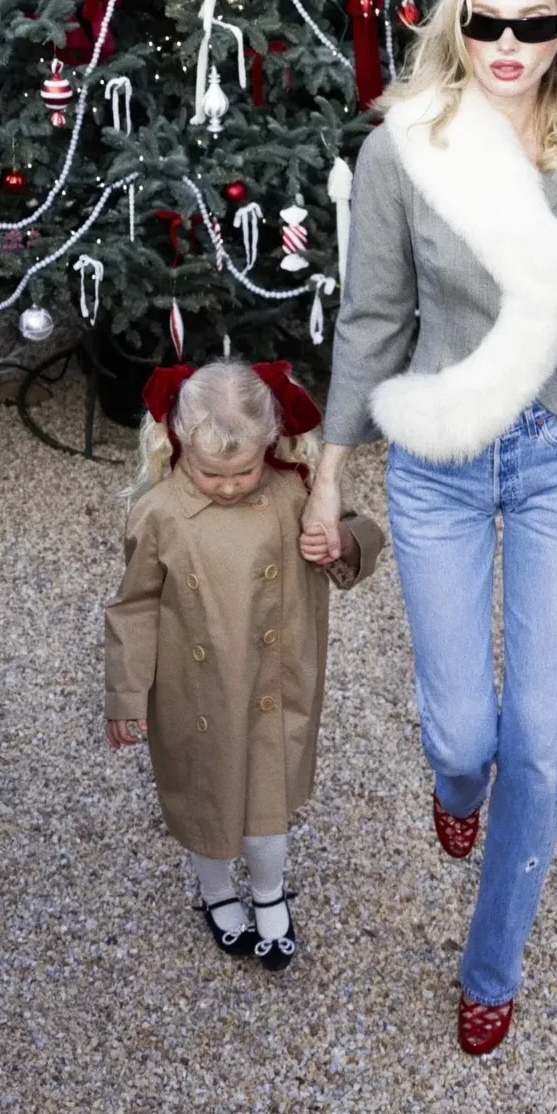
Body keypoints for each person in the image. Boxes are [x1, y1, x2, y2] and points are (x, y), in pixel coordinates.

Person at [303, 0, 557, 1054]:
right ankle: (458, 791)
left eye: (533, 23)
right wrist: (327, 479)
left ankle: (492, 962)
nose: (507, 44)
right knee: (465, 735)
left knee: (543, 739)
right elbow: (372, 323)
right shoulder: (406, 151)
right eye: (487, 21)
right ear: (457, 24)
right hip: (442, 465)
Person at [106, 359, 383, 968]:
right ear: (179, 442)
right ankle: (215, 892)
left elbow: (360, 538)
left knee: (266, 803)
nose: (229, 487)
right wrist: (127, 694)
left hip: (272, 686)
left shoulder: (294, 493)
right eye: (211, 473)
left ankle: (269, 892)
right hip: (195, 691)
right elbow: (135, 607)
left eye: (244, 471)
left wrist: (338, 540)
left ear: (271, 442)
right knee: (206, 799)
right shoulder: (159, 513)